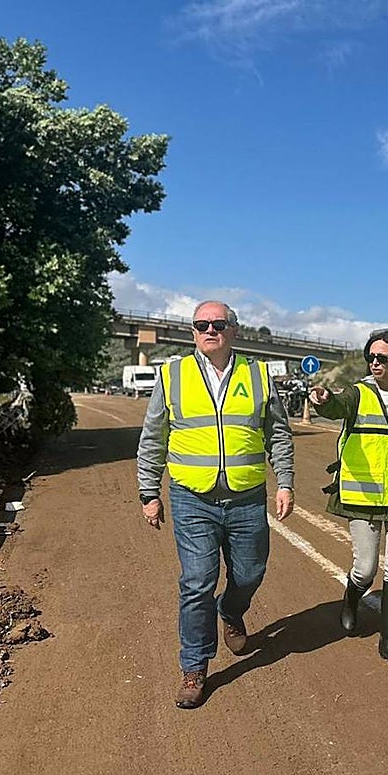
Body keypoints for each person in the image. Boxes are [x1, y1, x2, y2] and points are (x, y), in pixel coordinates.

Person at [137, 301, 295, 709]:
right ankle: (194, 666)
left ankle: (231, 609)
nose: (210, 330)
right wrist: (149, 491)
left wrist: (285, 482)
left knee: (250, 573)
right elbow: (153, 437)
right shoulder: (172, 375)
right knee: (197, 582)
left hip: (246, 498)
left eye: (219, 324)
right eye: (202, 324)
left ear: (233, 330)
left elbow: (278, 433)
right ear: (193, 331)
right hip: (192, 498)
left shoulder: (258, 374)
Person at [309, 329, 388, 670]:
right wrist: (323, 400)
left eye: (382, 357)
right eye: (371, 357)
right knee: (366, 568)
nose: (375, 363)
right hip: (363, 495)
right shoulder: (358, 393)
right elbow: (336, 406)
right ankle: (351, 599)